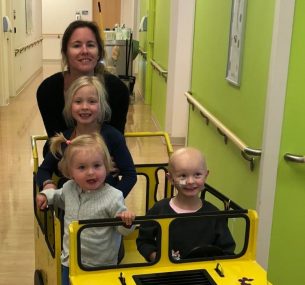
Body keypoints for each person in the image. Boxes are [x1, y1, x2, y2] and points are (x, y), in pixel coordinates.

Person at [36, 132, 135, 285]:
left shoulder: (114, 196)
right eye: (82, 167)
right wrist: (45, 195)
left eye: (97, 165)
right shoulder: (69, 188)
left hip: (101, 266)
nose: (90, 172)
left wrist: (127, 221)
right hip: (70, 261)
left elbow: (124, 230)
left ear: (106, 166)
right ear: (70, 172)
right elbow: (57, 196)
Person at [37, 20, 129, 156]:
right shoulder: (48, 90)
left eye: (91, 45)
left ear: (99, 52)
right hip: (62, 158)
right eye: (76, 45)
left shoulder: (117, 90)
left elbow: (116, 140)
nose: (84, 51)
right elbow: (56, 139)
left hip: (103, 160)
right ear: (65, 52)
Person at [36, 75, 136, 198]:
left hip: (105, 212)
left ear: (101, 105)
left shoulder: (113, 137)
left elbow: (130, 175)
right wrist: (47, 184)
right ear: (70, 106)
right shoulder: (64, 139)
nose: (84, 107)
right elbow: (43, 170)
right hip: (71, 208)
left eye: (92, 101)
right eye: (78, 101)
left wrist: (112, 199)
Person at [136, 147, 236, 262]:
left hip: (203, 274)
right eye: (183, 176)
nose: (190, 182)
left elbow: (227, 249)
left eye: (197, 175)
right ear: (171, 178)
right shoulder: (159, 209)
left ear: (206, 176)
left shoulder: (214, 215)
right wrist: (155, 257)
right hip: (165, 273)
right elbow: (144, 241)